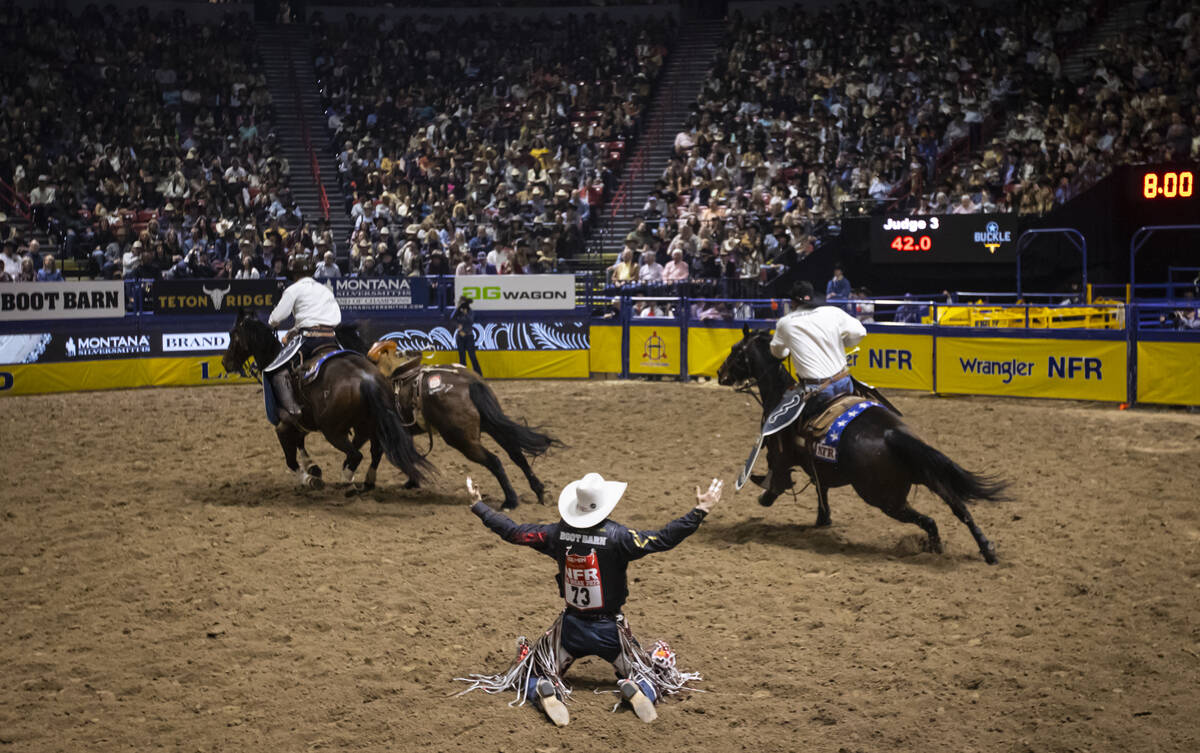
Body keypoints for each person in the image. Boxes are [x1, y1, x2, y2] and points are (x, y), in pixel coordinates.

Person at [457, 473, 723, 726]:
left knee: (531, 669)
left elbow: (514, 532)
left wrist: (479, 506)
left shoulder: (556, 534)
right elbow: (663, 539)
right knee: (655, 671)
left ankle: (540, 689)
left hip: (570, 628)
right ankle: (641, 689)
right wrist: (700, 511)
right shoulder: (619, 537)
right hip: (610, 631)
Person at [263, 253, 343, 431]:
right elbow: (336, 316)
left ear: (295, 275)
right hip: (331, 337)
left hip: (310, 339)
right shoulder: (325, 289)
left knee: (274, 370)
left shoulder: (293, 289)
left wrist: (274, 322)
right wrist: (296, 328)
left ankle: (292, 409)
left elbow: (275, 319)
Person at [452, 295, 483, 375]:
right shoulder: (458, 312)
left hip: (469, 336)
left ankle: (478, 374)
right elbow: (452, 318)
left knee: (472, 356)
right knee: (462, 357)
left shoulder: (470, 311)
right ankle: (463, 375)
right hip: (460, 336)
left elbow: (471, 321)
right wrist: (457, 326)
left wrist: (465, 313)